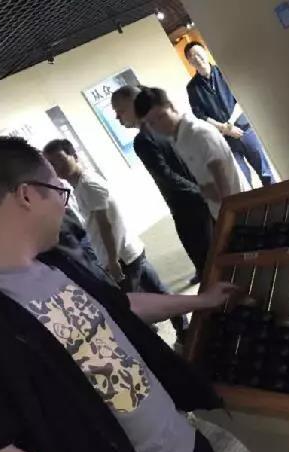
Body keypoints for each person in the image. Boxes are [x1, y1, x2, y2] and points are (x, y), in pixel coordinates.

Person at [0, 136, 236, 452]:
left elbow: (119, 308)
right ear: (27, 195)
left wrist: (200, 301)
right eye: (59, 191)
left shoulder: (56, 263)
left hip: (187, 449)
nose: (63, 205)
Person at [42, 139, 187, 341]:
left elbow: (106, 225)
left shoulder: (88, 185)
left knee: (132, 308)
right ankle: (184, 329)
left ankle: (161, 338)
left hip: (122, 257)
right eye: (51, 163)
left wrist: (112, 260)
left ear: (74, 155)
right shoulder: (81, 185)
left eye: (59, 159)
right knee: (157, 292)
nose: (57, 167)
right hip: (129, 250)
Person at [111, 85, 212, 285]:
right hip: (200, 194)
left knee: (206, 256)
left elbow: (166, 175)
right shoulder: (165, 127)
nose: (117, 117)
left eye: (120, 111)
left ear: (134, 104)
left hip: (188, 203)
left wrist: (200, 193)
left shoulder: (143, 139)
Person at [134, 86, 255, 219]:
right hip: (226, 212)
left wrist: (209, 196)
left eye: (161, 116)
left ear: (171, 107)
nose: (159, 125)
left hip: (239, 212)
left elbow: (222, 181)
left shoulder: (198, 133)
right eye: (152, 123)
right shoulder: (177, 139)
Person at [184, 41, 276, 186]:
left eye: (198, 52)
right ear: (189, 61)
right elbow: (199, 114)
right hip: (224, 139)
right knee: (242, 180)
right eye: (192, 56)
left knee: (266, 173)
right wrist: (223, 128)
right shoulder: (192, 88)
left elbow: (241, 98)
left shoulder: (224, 71)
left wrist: (230, 124)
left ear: (205, 51)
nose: (197, 57)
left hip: (244, 130)